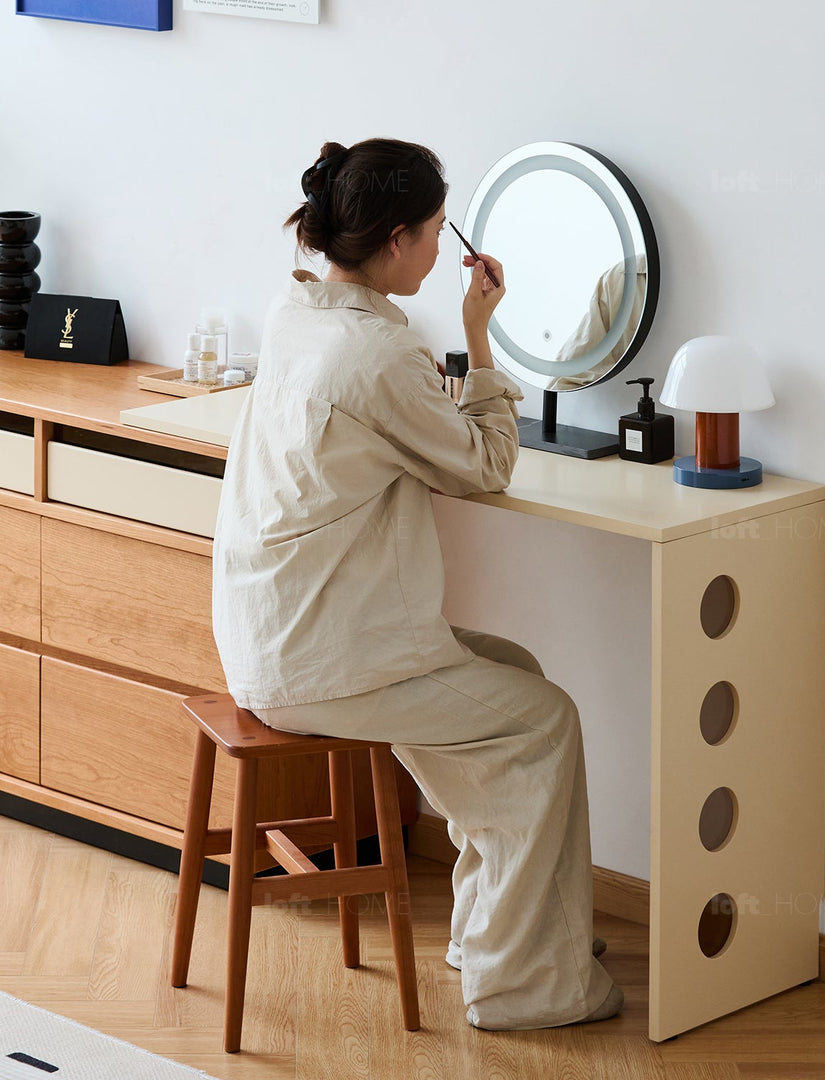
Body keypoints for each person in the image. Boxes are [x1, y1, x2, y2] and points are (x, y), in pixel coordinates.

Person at [211, 138, 622, 1030]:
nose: (442, 250)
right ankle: (524, 987)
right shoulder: (377, 359)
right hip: (328, 659)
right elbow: (486, 469)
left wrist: (457, 354)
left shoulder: (299, 312)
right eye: (436, 231)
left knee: (512, 668)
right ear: (396, 240)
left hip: (273, 634)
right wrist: (479, 337)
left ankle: (501, 934)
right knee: (544, 721)